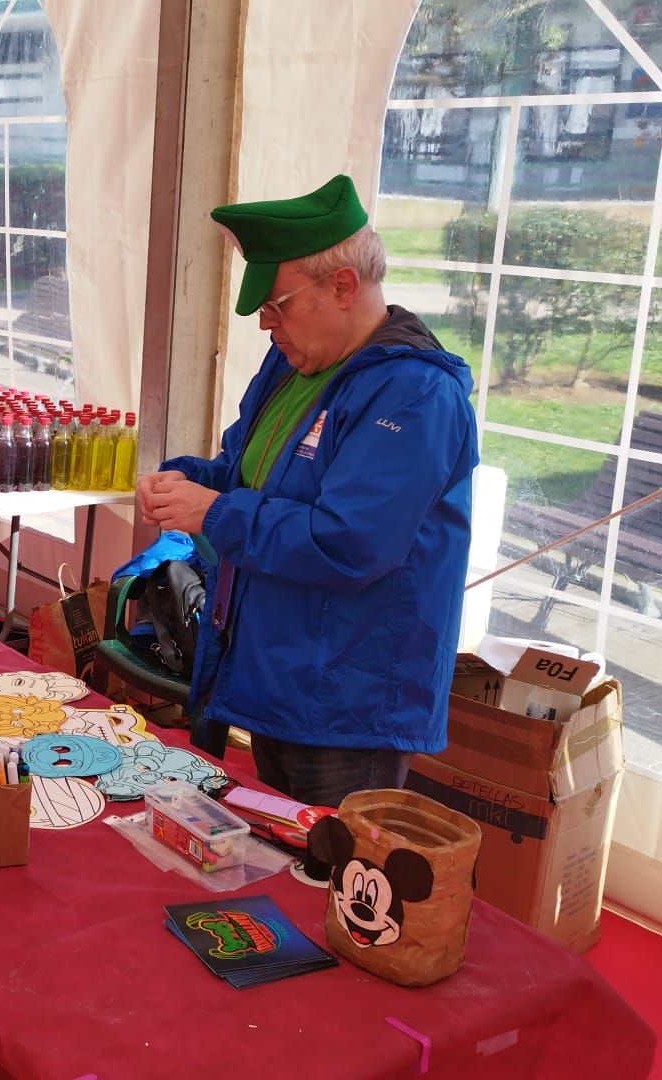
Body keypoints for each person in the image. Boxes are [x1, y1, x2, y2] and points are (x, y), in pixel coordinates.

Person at [135, 175, 477, 808]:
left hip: (349, 700)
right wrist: (189, 481)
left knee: (333, 880)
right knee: (277, 859)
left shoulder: (416, 394)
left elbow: (351, 543)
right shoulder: (292, 366)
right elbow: (245, 470)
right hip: (277, 675)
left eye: (278, 304)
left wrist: (213, 512)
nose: (267, 325)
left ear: (343, 286)